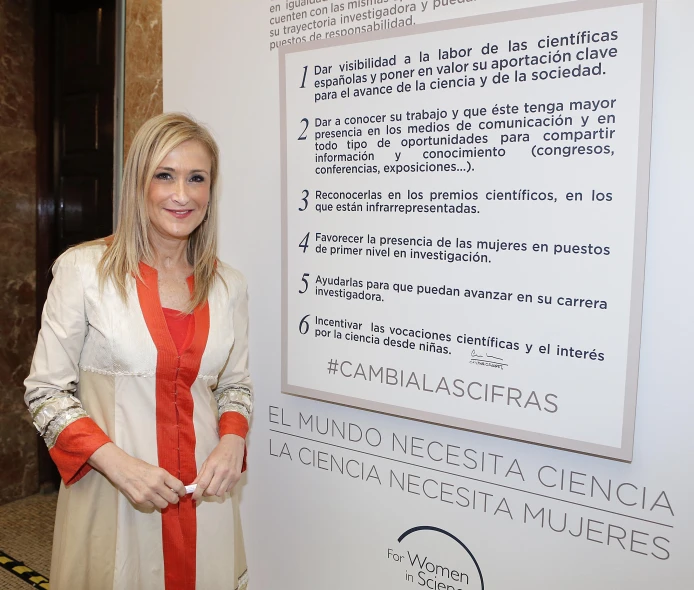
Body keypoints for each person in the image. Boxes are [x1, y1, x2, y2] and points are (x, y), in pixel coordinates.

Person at [24, 113, 252, 590]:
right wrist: (119, 465)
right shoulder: (83, 271)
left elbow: (234, 385)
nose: (182, 195)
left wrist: (232, 441)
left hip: (203, 497)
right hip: (114, 497)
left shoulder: (228, 285)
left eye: (197, 178)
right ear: (138, 184)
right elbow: (46, 394)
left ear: (211, 191)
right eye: (164, 175)